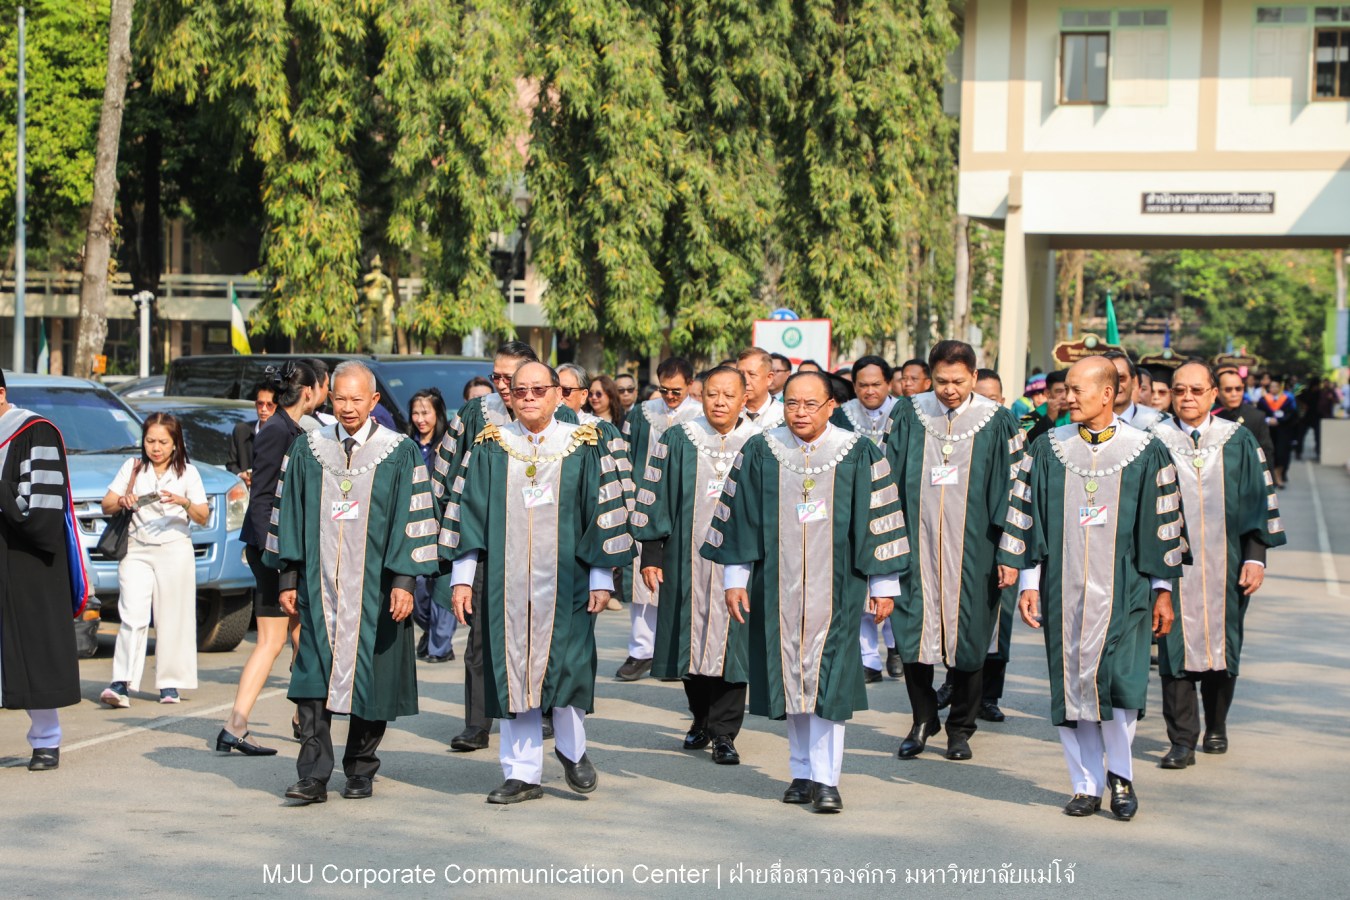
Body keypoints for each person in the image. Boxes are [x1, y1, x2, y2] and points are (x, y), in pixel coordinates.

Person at [701, 371, 907, 812]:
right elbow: (740, 521)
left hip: (839, 591)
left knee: (828, 680)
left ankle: (827, 779)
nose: (799, 412)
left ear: (831, 406)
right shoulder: (762, 450)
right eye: (792, 403)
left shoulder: (857, 452)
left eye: (810, 404)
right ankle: (800, 772)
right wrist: (735, 579)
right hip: (778, 588)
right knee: (792, 678)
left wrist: (884, 584)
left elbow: (880, 519)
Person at [442, 362, 635, 804]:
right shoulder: (491, 446)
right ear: (509, 394)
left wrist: (602, 578)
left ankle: (571, 748)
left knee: (564, 669)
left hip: (567, 581)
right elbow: (468, 516)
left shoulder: (582, 445)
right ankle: (521, 774)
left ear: (556, 395)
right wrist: (463, 579)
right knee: (512, 674)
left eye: (538, 390)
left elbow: (599, 514)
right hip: (503, 584)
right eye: (520, 389)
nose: (528, 397)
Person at [1001, 356, 1184, 820]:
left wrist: (1163, 590)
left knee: (1119, 686)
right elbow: (1029, 518)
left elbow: (1161, 526)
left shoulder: (1146, 450)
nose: (1068, 397)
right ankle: (1085, 784)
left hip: (1127, 589)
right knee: (1073, 687)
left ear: (1108, 393)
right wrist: (1029, 582)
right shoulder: (1048, 448)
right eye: (1066, 389)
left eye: (1079, 390)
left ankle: (1121, 778)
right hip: (1064, 590)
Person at [267, 361, 440, 804]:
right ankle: (312, 775)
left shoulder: (397, 451)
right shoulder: (309, 448)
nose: (347, 407)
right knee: (310, 682)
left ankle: (361, 768)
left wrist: (404, 580)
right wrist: (288, 575)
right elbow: (289, 512)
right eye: (340, 398)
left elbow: (413, 516)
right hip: (318, 584)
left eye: (357, 399)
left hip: (378, 590)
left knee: (373, 681)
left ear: (374, 401)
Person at [430, 341, 579, 752]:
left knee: (549, 637)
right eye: (497, 377)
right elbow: (448, 474)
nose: (502, 386)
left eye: (508, 378)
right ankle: (477, 723)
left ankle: (546, 710)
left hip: (549, 549)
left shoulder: (562, 419)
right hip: (490, 546)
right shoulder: (475, 414)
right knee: (481, 639)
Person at [884, 341, 1022, 762]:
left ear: (975, 378)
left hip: (976, 550)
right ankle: (923, 718)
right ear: (930, 377)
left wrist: (1010, 554)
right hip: (916, 547)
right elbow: (885, 479)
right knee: (912, 637)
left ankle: (961, 728)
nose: (949, 390)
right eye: (941, 381)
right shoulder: (909, 412)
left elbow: (1017, 489)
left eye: (958, 381)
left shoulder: (998, 421)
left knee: (972, 639)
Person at [1150, 361, 1286, 769]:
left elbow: (1259, 502)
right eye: (1180, 391)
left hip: (1227, 565)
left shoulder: (1238, 439)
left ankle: (1217, 725)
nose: (1187, 398)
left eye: (1196, 390)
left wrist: (1255, 558)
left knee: (1224, 646)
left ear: (1213, 394)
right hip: (1173, 567)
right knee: (1173, 648)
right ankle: (1182, 740)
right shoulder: (1154, 441)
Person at [632, 367, 758, 763]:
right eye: (713, 394)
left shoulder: (759, 443)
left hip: (742, 565)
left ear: (744, 399)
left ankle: (724, 733)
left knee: (732, 644)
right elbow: (656, 497)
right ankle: (700, 718)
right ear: (700, 396)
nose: (720, 402)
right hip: (685, 559)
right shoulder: (679, 438)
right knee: (690, 640)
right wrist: (651, 554)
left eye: (728, 395)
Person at [217, 360, 318, 755]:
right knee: (273, 639)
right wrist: (273, 553)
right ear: (308, 392)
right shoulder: (278, 429)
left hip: (278, 549)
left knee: (299, 633)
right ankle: (236, 724)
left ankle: (303, 716)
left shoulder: (285, 427)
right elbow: (263, 498)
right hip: (273, 551)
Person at [0, 374, 88, 771]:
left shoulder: (35, 432)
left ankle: (46, 740)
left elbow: (41, 512)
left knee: (32, 646)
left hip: (26, 559)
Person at [99, 414, 209, 708]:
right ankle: (121, 682)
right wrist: (122, 500)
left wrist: (183, 501)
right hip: (136, 548)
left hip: (175, 549)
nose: (156, 448)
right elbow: (106, 504)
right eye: (150, 441)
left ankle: (169, 683)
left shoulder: (188, 473)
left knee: (172, 617)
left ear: (175, 444)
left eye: (163, 442)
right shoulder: (133, 467)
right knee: (132, 613)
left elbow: (202, 515)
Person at [617, 357, 702, 681]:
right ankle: (641, 650)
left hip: (686, 508)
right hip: (647, 504)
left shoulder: (700, 414)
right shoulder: (641, 413)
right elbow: (624, 456)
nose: (670, 396)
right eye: (664, 390)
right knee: (643, 583)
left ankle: (683, 650)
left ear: (691, 384)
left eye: (677, 390)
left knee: (683, 580)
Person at [830, 355, 900, 681]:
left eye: (876, 384)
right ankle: (868, 659)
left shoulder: (905, 415)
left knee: (892, 577)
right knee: (859, 580)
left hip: (895, 508)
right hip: (853, 511)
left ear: (889, 383)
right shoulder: (841, 417)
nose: (869, 391)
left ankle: (897, 647)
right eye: (862, 385)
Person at [407, 388, 456, 664]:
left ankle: (441, 645)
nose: (420, 418)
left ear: (438, 414)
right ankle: (430, 632)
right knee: (419, 593)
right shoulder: (406, 445)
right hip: (415, 529)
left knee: (442, 589)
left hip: (444, 527)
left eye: (426, 412)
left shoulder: (448, 447)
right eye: (416, 412)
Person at [1215, 367, 1275, 463]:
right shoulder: (1209, 416)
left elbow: (1265, 453)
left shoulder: (1256, 416)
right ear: (1217, 392)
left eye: (1238, 389)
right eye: (1228, 389)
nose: (1234, 394)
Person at [227, 383, 276, 486]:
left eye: (269, 405)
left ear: (277, 407)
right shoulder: (241, 431)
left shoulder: (283, 436)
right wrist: (241, 475)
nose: (264, 409)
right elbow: (231, 464)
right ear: (255, 404)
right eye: (260, 403)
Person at [1104, 350, 1164, 431]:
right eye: (1108, 379)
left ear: (1134, 381)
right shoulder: (1085, 423)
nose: (1116, 385)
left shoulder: (1161, 422)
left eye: (1121, 378)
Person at [1257, 376, 1297, 488]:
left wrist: (1279, 420)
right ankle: (1271, 477)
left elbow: (1292, 414)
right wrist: (1268, 419)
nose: (1273, 388)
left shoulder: (1287, 399)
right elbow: (1259, 413)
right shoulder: (1263, 400)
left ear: (1280, 387)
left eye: (1276, 386)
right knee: (1269, 453)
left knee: (1281, 453)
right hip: (1268, 430)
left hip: (1283, 430)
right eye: (1271, 386)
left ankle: (1278, 476)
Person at [736, 347, 786, 429]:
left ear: (769, 378)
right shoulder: (728, 414)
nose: (745, 381)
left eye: (752, 374)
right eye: (740, 374)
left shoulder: (783, 416)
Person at [1021, 369, 1069, 444]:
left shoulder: (1079, 418)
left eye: (1067, 390)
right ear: (1047, 393)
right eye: (1059, 391)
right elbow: (1026, 444)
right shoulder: (1029, 420)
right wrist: (1049, 418)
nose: (1064, 396)